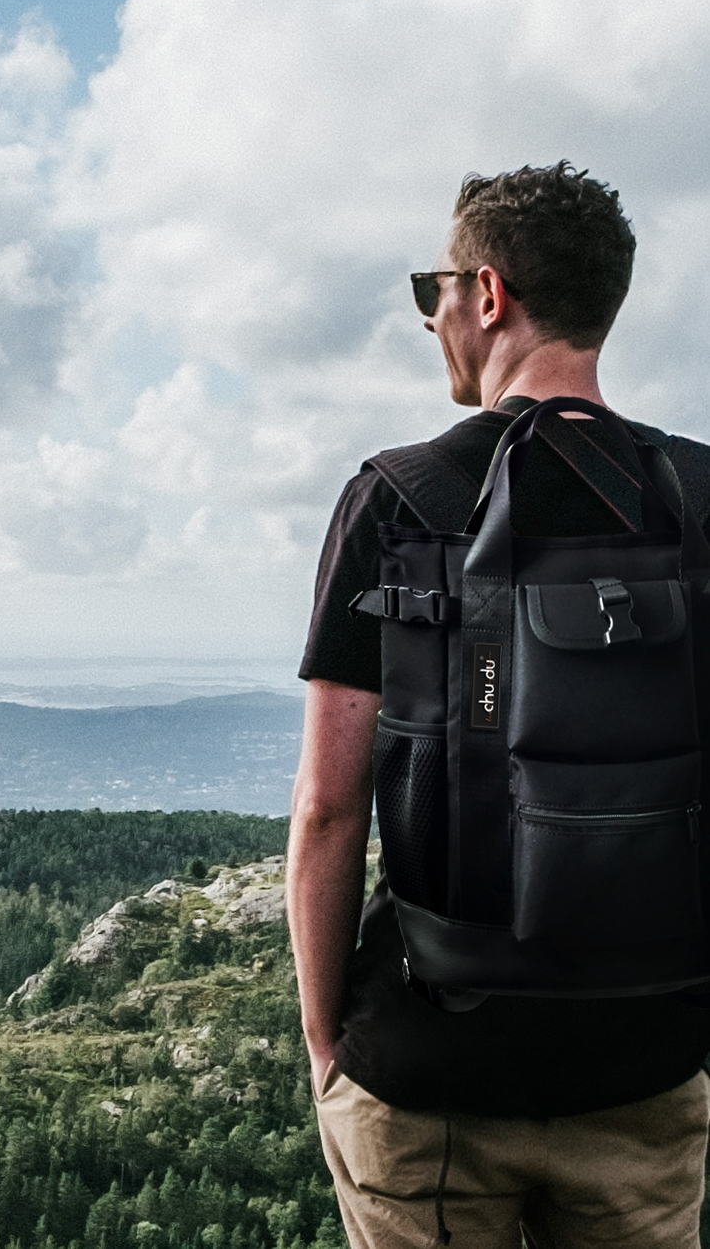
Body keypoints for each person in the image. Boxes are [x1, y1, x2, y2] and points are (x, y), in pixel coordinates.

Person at [293, 162, 710, 1248]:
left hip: (432, 1071)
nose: (429, 314)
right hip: (644, 1061)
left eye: (432, 287)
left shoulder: (397, 497)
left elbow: (328, 808)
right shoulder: (698, 500)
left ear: (486, 295)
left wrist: (325, 1046)